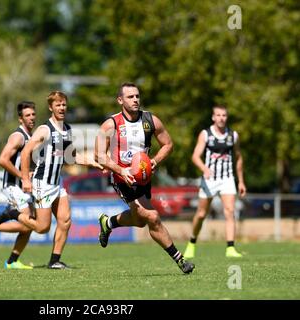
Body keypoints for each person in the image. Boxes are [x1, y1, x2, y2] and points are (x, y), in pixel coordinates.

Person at [95, 82, 195, 274]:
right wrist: (120, 170)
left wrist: (155, 161)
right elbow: (99, 155)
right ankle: (181, 260)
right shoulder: (111, 124)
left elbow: (168, 144)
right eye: (130, 97)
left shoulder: (151, 120)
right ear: (120, 100)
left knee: (140, 220)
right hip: (121, 178)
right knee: (152, 216)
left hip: (143, 178)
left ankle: (108, 223)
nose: (135, 100)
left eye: (137, 96)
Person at [17, 91, 103, 269]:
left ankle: (54, 261)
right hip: (42, 183)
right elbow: (25, 152)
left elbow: (71, 157)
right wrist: (25, 179)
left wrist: (96, 162)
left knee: (65, 220)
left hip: (57, 183)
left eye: (64, 104)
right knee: (42, 228)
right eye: (58, 105)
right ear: (51, 107)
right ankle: (13, 215)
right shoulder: (44, 129)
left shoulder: (67, 129)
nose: (62, 108)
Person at [0, 101, 37, 270]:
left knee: (31, 224)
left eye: (33, 114)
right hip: (12, 185)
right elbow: (2, 160)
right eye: (27, 115)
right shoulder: (18, 136)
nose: (31, 118)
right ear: (20, 119)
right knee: (28, 223)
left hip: (22, 185)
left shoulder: (31, 137)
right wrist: (23, 177)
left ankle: (12, 261)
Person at [183, 105, 246, 258]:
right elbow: (195, 156)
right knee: (201, 214)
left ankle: (230, 248)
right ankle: (192, 242)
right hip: (209, 180)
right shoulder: (206, 134)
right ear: (213, 117)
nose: (221, 118)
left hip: (227, 178)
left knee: (230, 211)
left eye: (224, 115)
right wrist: (204, 169)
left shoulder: (233, 135)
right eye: (218, 115)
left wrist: (241, 181)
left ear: (226, 117)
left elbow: (238, 157)